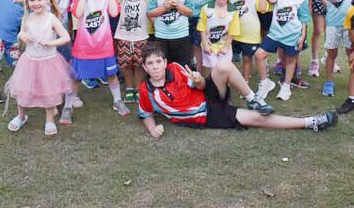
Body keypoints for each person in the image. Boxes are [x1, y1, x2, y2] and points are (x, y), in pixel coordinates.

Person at [137, 44, 338, 138]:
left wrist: (198, 81)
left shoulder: (175, 68)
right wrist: (153, 128)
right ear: (145, 68)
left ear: (164, 62)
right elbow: (146, 113)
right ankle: (311, 122)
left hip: (207, 95)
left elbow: (198, 87)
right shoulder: (146, 91)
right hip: (206, 115)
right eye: (150, 64)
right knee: (257, 118)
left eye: (158, 62)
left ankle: (253, 98)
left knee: (224, 66)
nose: (155, 67)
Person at [4, 0, 75, 136]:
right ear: (27, 2)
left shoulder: (52, 19)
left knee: (49, 91)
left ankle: (49, 120)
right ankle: (21, 116)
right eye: (32, 0)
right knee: (23, 89)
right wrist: (20, 35)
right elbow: (22, 33)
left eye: (39, 0)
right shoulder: (27, 18)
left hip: (48, 60)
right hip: (29, 60)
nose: (36, 4)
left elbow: (66, 37)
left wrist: (51, 43)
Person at [62, 0, 128, 125]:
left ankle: (117, 101)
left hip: (104, 48)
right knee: (76, 78)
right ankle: (68, 107)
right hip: (83, 49)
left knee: (112, 76)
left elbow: (113, 13)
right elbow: (77, 13)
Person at [253, 0, 310, 102]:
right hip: (275, 33)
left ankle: (286, 85)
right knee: (259, 55)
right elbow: (271, 0)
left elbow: (304, 18)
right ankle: (265, 82)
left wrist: (302, 36)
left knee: (290, 61)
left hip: (293, 34)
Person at [114, 0, 150, 104]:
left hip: (141, 37)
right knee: (126, 65)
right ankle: (129, 89)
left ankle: (139, 88)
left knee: (140, 65)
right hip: (124, 37)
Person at [319, 0, 354, 97]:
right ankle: (329, 81)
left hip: (349, 22)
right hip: (333, 23)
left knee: (351, 52)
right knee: (331, 53)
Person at [147, 0, 196, 66]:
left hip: (181, 35)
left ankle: (182, 83)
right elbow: (150, 13)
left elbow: (191, 12)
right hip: (161, 36)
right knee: (164, 65)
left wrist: (178, 5)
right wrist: (164, 8)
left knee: (182, 66)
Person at [230, 0, 268, 82]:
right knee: (230, 59)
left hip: (250, 33)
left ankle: (244, 82)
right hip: (232, 33)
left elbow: (262, 8)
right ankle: (231, 80)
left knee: (247, 60)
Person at [197, 0, 240, 74]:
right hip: (210, 45)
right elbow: (202, 28)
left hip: (225, 46)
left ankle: (224, 87)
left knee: (224, 69)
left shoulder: (233, 11)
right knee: (214, 69)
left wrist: (226, 47)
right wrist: (205, 44)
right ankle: (213, 87)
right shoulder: (206, 8)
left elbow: (233, 31)